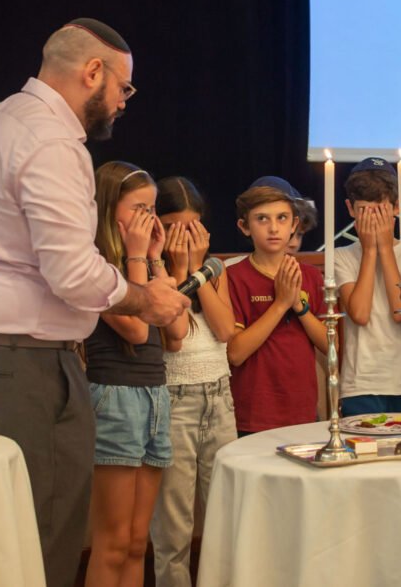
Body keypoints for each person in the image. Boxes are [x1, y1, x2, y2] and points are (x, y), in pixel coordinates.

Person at [0, 18, 188, 587]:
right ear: (92, 72)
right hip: (20, 361)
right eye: (124, 87)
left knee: (4, 539)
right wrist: (143, 299)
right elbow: (71, 271)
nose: (124, 102)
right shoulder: (52, 140)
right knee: (41, 540)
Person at [84, 162, 188, 587]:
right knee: (111, 542)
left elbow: (177, 332)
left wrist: (157, 259)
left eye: (153, 209)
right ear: (110, 210)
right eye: (139, 208)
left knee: (135, 543)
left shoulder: (142, 265)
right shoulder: (95, 267)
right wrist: (135, 255)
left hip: (154, 398)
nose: (149, 218)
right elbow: (137, 327)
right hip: (114, 398)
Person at [149, 176, 237, 587]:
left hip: (219, 396)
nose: (184, 236)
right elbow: (175, 337)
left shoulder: (213, 269)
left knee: (227, 514)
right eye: (174, 226)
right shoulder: (152, 271)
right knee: (174, 526)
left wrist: (200, 272)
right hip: (174, 400)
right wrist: (183, 269)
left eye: (193, 226)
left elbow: (224, 330)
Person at [226, 184, 328, 434]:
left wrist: (300, 308)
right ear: (244, 227)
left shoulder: (311, 276)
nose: (273, 228)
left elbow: (331, 345)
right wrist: (281, 304)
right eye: (262, 219)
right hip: (254, 413)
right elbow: (235, 353)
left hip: (302, 410)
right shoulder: (233, 277)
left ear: (294, 224)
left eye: (281, 218)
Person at [336, 157, 401, 416]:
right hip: (361, 385)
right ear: (350, 209)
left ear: (397, 207)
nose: (374, 220)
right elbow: (360, 314)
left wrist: (386, 249)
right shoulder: (342, 256)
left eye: (380, 210)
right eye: (365, 211)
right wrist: (369, 251)